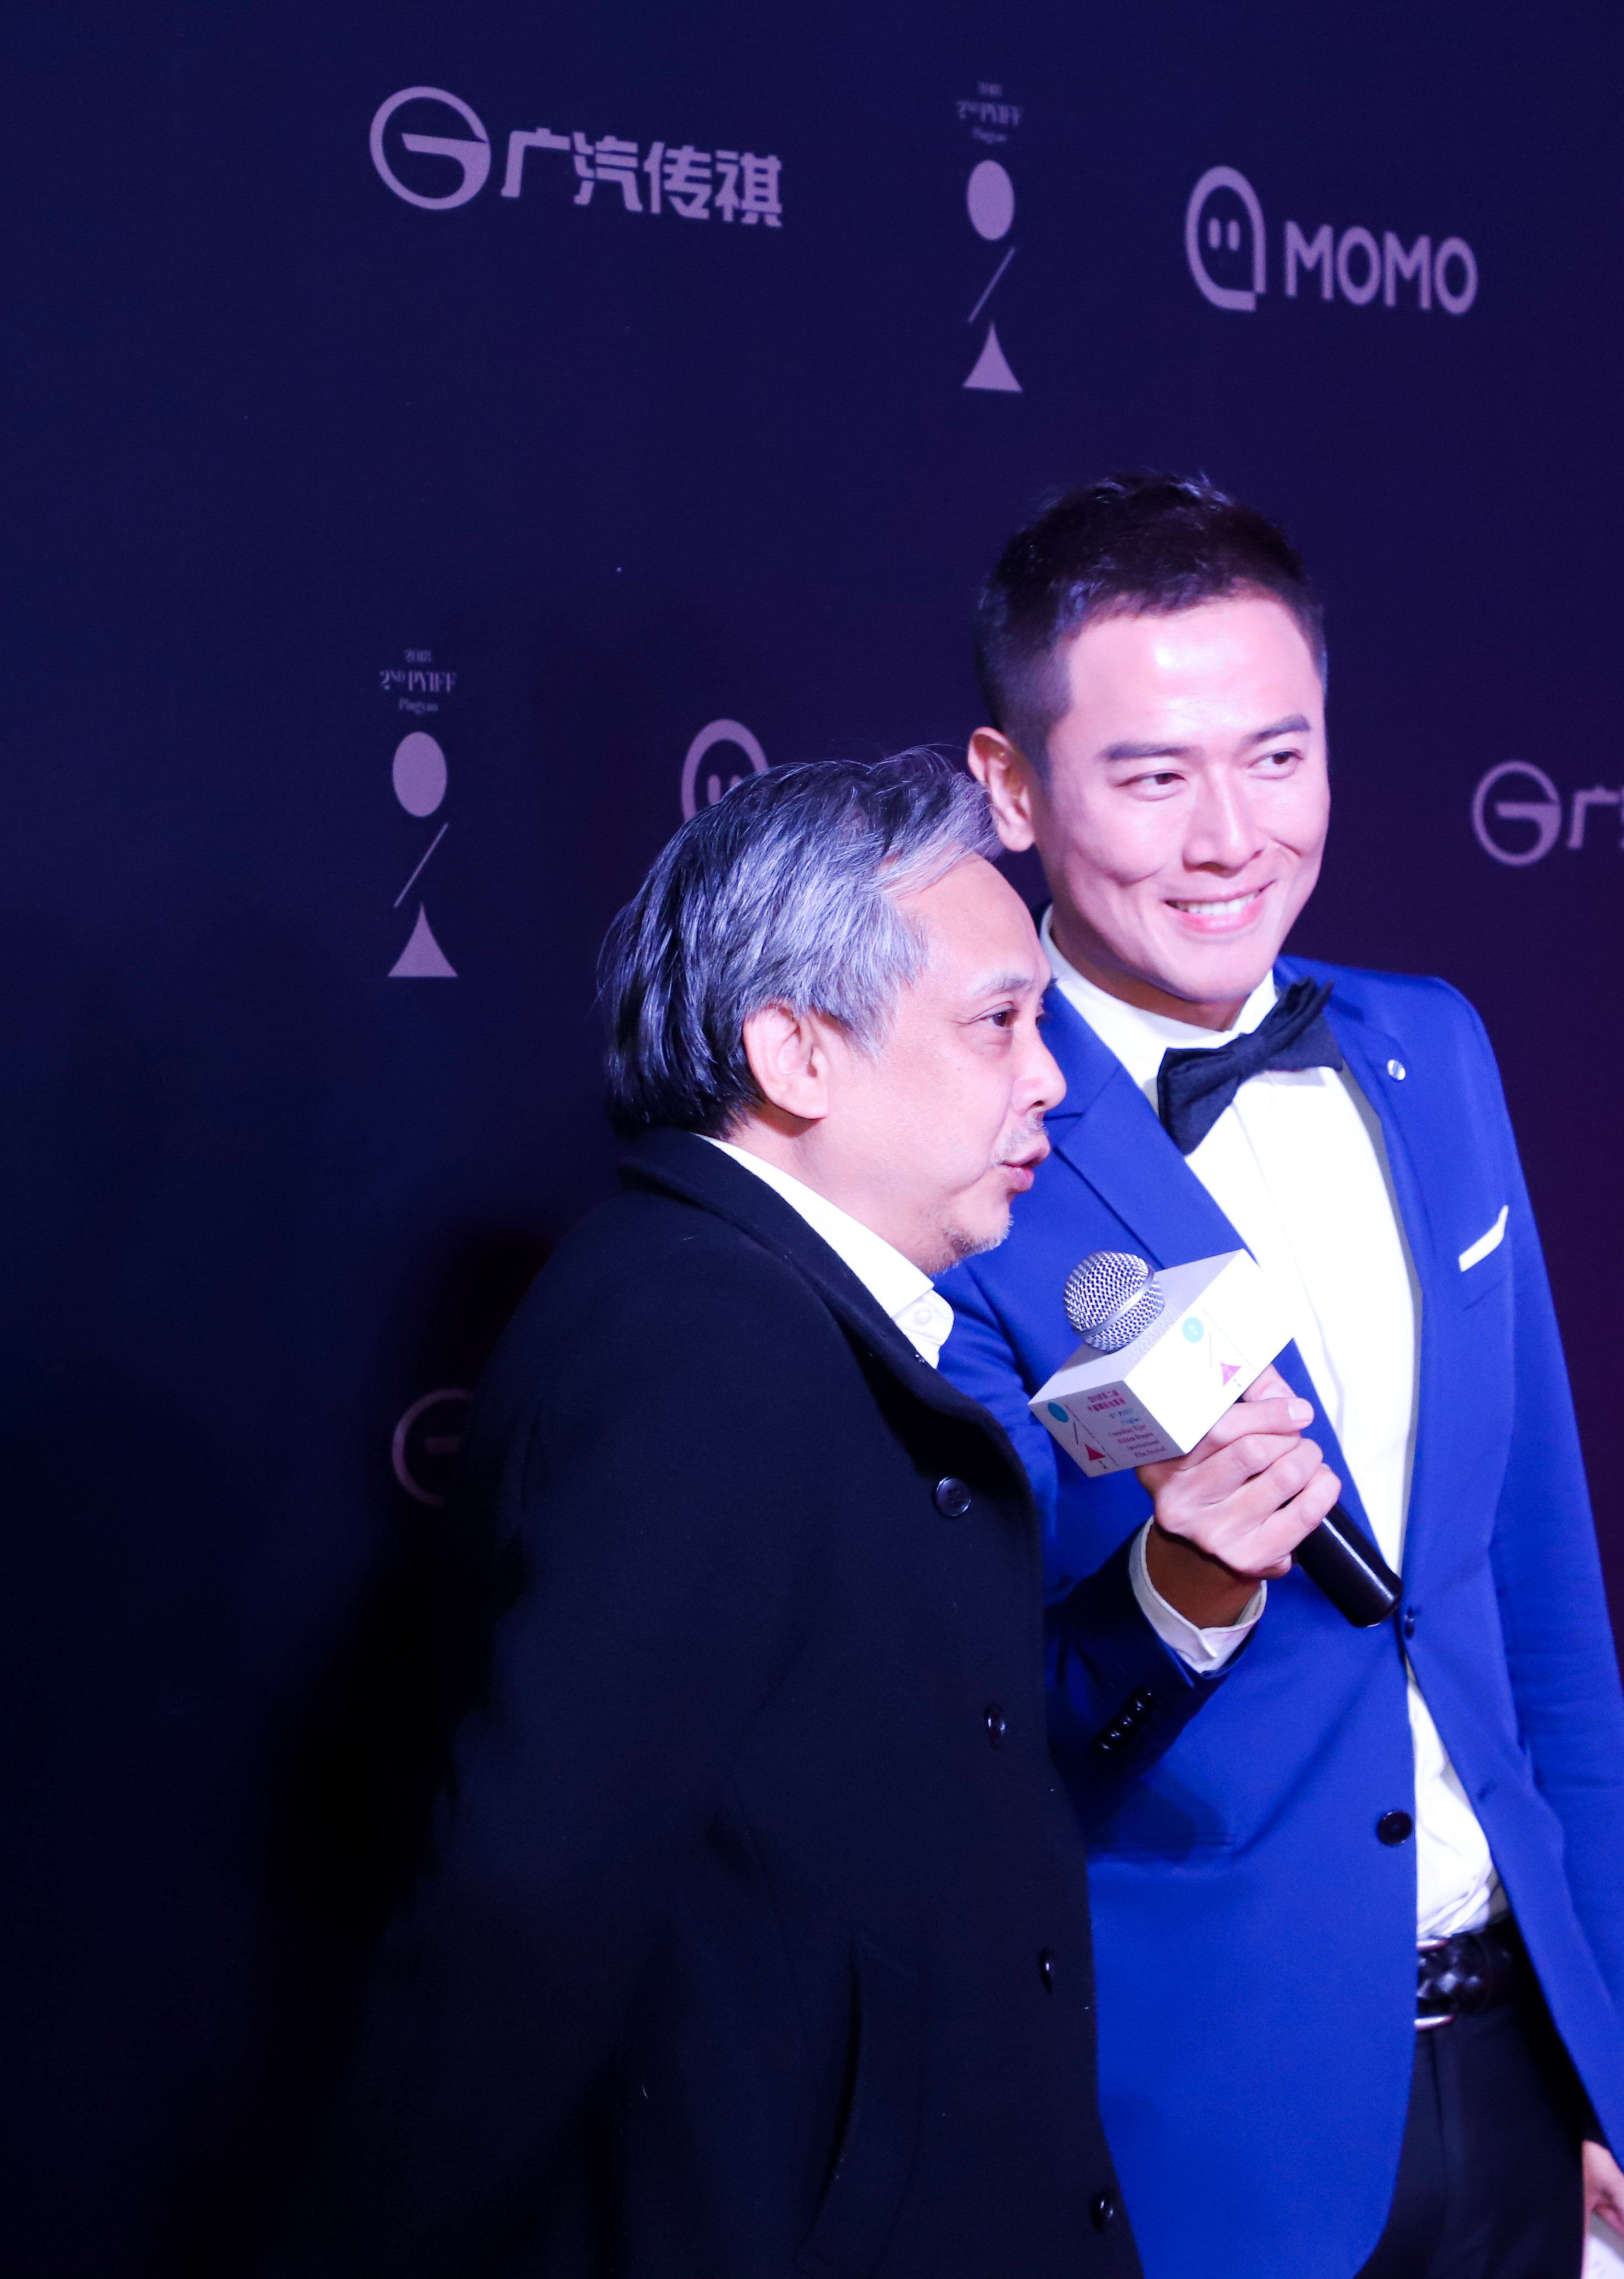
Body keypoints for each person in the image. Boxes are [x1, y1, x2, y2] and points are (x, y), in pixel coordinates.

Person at [933, 475, 1624, 2279]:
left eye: (1277, 759)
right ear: (1012, 790)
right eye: (1151, 777)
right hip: (1188, 2118)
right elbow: (950, 1738)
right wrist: (1175, 1585)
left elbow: (1535, 1588)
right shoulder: (951, 1141)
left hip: (1525, 2073)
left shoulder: (1436, 1046)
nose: (1229, 841)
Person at [304, 753, 1138, 2277]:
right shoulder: (707, 1337)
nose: (1051, 1081)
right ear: (795, 1053)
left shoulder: (764, 1314)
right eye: (999, 1023)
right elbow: (532, 1889)